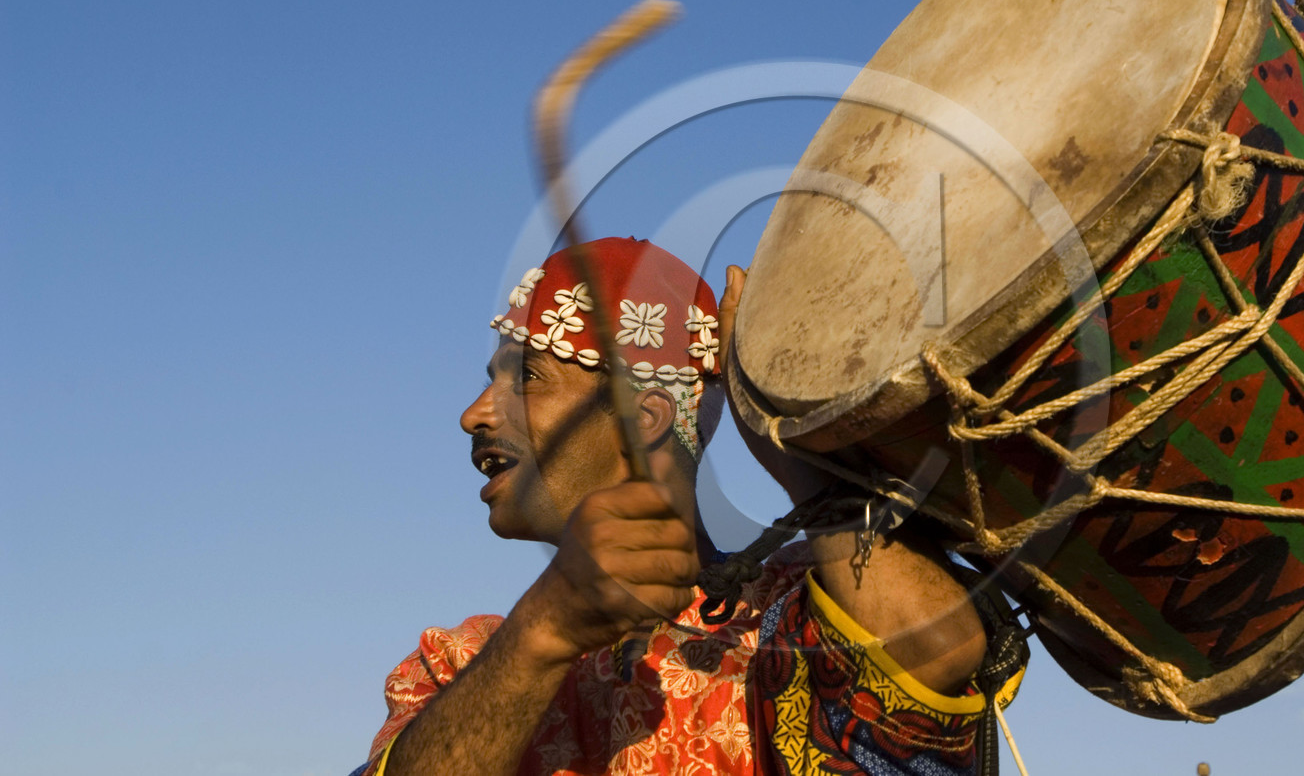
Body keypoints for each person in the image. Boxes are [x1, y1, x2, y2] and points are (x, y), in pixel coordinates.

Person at [352, 237, 1021, 776]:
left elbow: (935, 644)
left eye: (527, 375)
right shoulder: (462, 661)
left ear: (642, 418)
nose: (473, 415)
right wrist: (542, 631)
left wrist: (787, 444)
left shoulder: (795, 609)